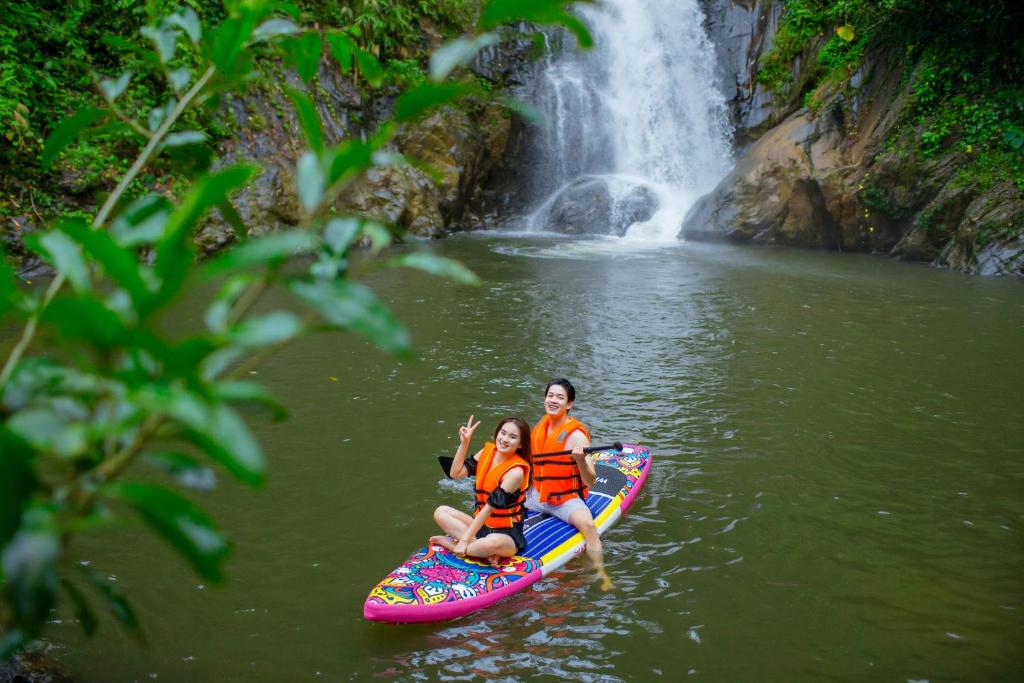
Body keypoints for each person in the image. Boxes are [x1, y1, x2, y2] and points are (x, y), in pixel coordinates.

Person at [527, 378, 612, 590]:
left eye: (560, 397)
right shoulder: (540, 428)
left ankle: (600, 572)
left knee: (589, 527)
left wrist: (581, 459)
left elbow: (590, 480)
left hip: (564, 500)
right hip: (536, 494)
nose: (553, 400)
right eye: (550, 396)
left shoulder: (576, 436)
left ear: (569, 404)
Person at [431, 416, 532, 565]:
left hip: (506, 534)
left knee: (489, 544)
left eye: (512, 437)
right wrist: (464, 443)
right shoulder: (487, 452)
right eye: (502, 433)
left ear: (521, 444)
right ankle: (484, 553)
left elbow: (489, 508)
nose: (504, 439)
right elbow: (455, 473)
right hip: (481, 528)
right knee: (440, 512)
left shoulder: (516, 472)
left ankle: (453, 546)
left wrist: (463, 541)